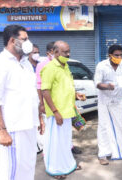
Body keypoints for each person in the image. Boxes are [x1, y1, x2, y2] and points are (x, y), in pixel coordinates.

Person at [0, 25, 44, 180]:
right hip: (13, 128)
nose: (28, 42)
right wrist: (2, 130)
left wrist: (39, 118)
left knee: (27, 166)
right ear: (12, 40)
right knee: (10, 171)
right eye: (24, 39)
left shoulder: (25, 63)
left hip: (29, 125)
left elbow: (31, 94)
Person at [41, 41, 85, 179]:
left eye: (68, 51)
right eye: (65, 52)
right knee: (54, 142)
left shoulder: (65, 66)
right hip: (57, 113)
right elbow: (45, 91)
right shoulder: (49, 68)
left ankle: (67, 165)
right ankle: (55, 169)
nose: (68, 54)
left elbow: (65, 87)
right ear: (55, 52)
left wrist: (76, 95)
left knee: (65, 141)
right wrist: (55, 112)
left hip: (67, 111)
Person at [94, 44, 122, 165]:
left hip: (117, 101)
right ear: (110, 55)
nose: (119, 57)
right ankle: (103, 154)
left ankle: (119, 152)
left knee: (120, 125)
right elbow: (97, 83)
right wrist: (107, 86)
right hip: (104, 101)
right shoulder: (102, 66)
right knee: (103, 126)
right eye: (116, 55)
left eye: (121, 55)